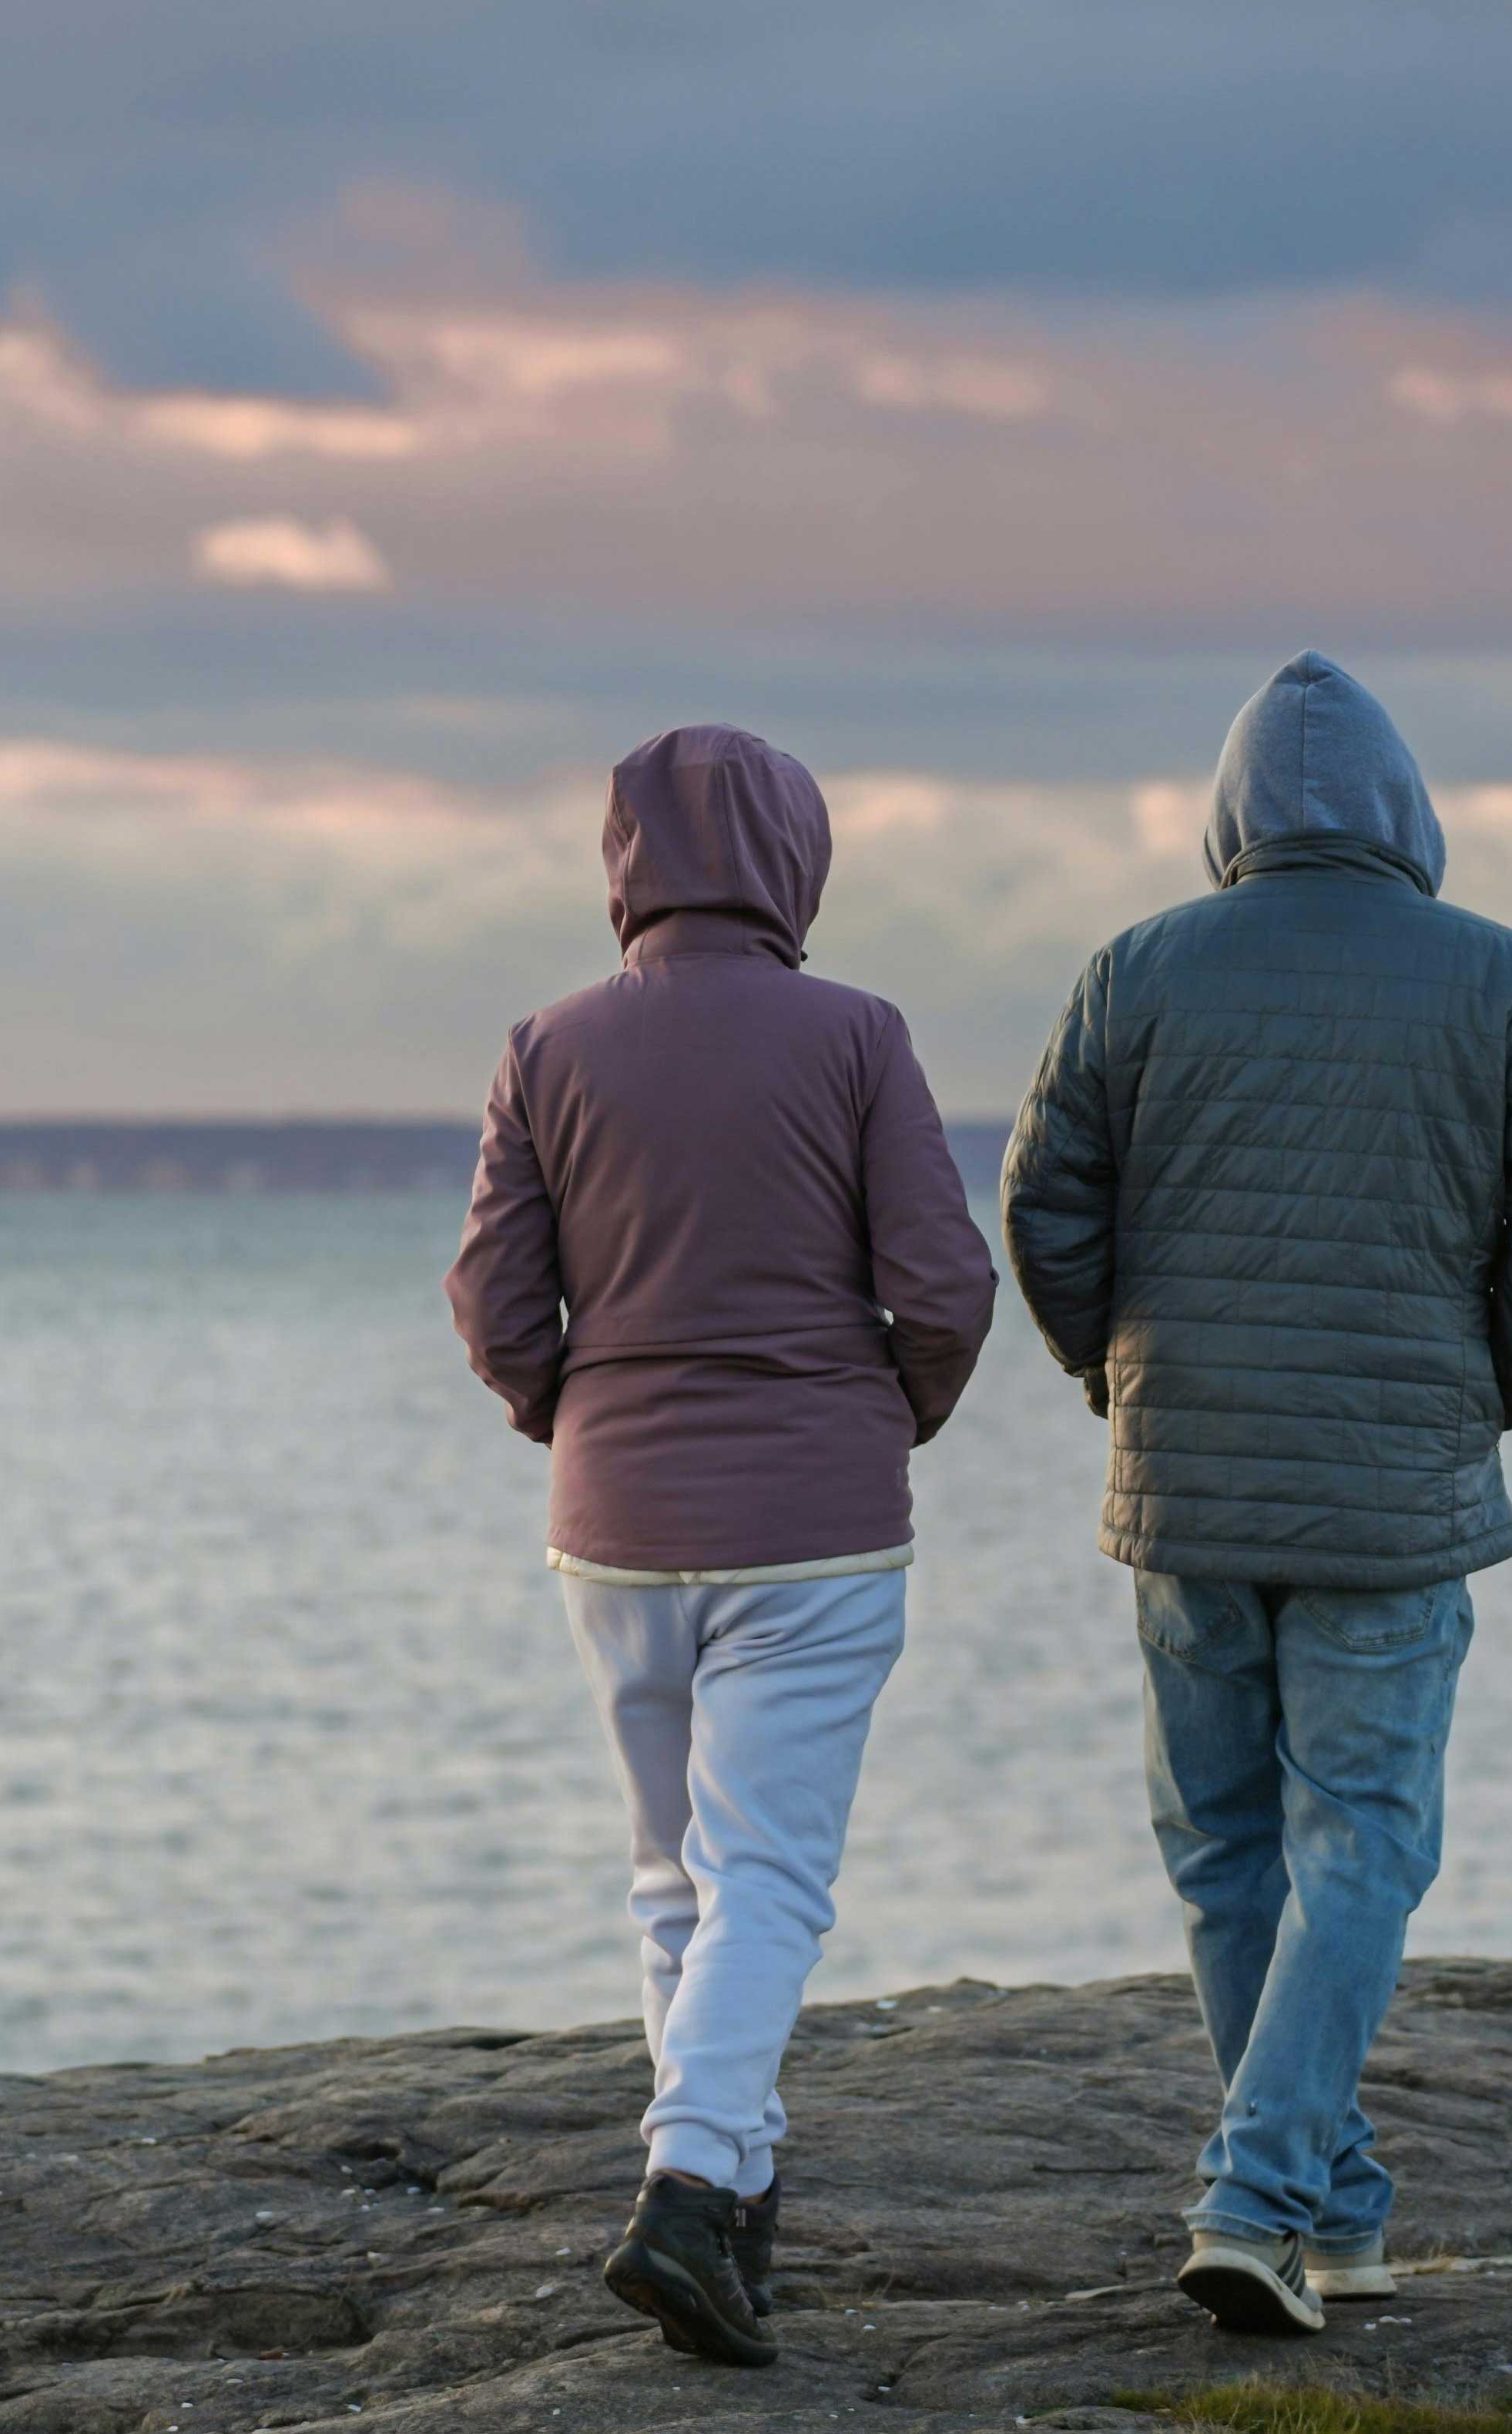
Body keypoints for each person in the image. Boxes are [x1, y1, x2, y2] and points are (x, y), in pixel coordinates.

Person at [1001, 651, 1512, 2335]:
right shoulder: (1504, 980)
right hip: (1390, 1489)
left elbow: (1042, 1202)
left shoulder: (1134, 972)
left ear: (1229, 819)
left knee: (1224, 1849)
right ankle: (1268, 2194)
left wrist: (1110, 1372)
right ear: (1409, 814)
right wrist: (1506, 1387)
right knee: (1360, 1839)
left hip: (1187, 1479)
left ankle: (1324, 2204)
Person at [444, 723, 996, 2368]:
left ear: (625, 864)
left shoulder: (546, 1045)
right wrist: (883, 1413)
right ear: (792, 856)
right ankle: (688, 2183)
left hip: (611, 1524)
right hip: (812, 1520)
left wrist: (571, 1411)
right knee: (767, 1871)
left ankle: (733, 2211)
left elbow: (491, 1300)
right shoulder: (859, 1036)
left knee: (670, 1872)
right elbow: (947, 1286)